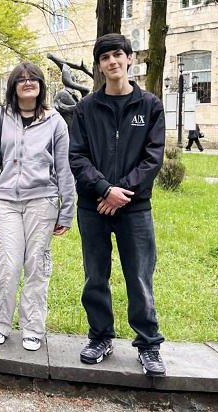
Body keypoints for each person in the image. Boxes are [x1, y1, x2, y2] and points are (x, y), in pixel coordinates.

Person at [69, 33, 166, 376]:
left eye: (117, 55)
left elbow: (153, 157)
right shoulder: (85, 108)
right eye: (105, 57)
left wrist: (120, 191)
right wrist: (102, 189)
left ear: (129, 59)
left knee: (139, 277)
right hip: (93, 206)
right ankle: (100, 337)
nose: (112, 62)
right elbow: (77, 156)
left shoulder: (150, 105)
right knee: (95, 276)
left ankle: (149, 344)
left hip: (134, 208)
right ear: (99, 65)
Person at [0, 62, 76, 351]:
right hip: (5, 201)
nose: (28, 83)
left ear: (41, 85)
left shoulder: (55, 121)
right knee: (7, 265)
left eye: (33, 78)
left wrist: (67, 210)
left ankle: (33, 328)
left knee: (36, 266)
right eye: (21, 79)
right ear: (13, 86)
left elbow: (65, 167)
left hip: (42, 202)